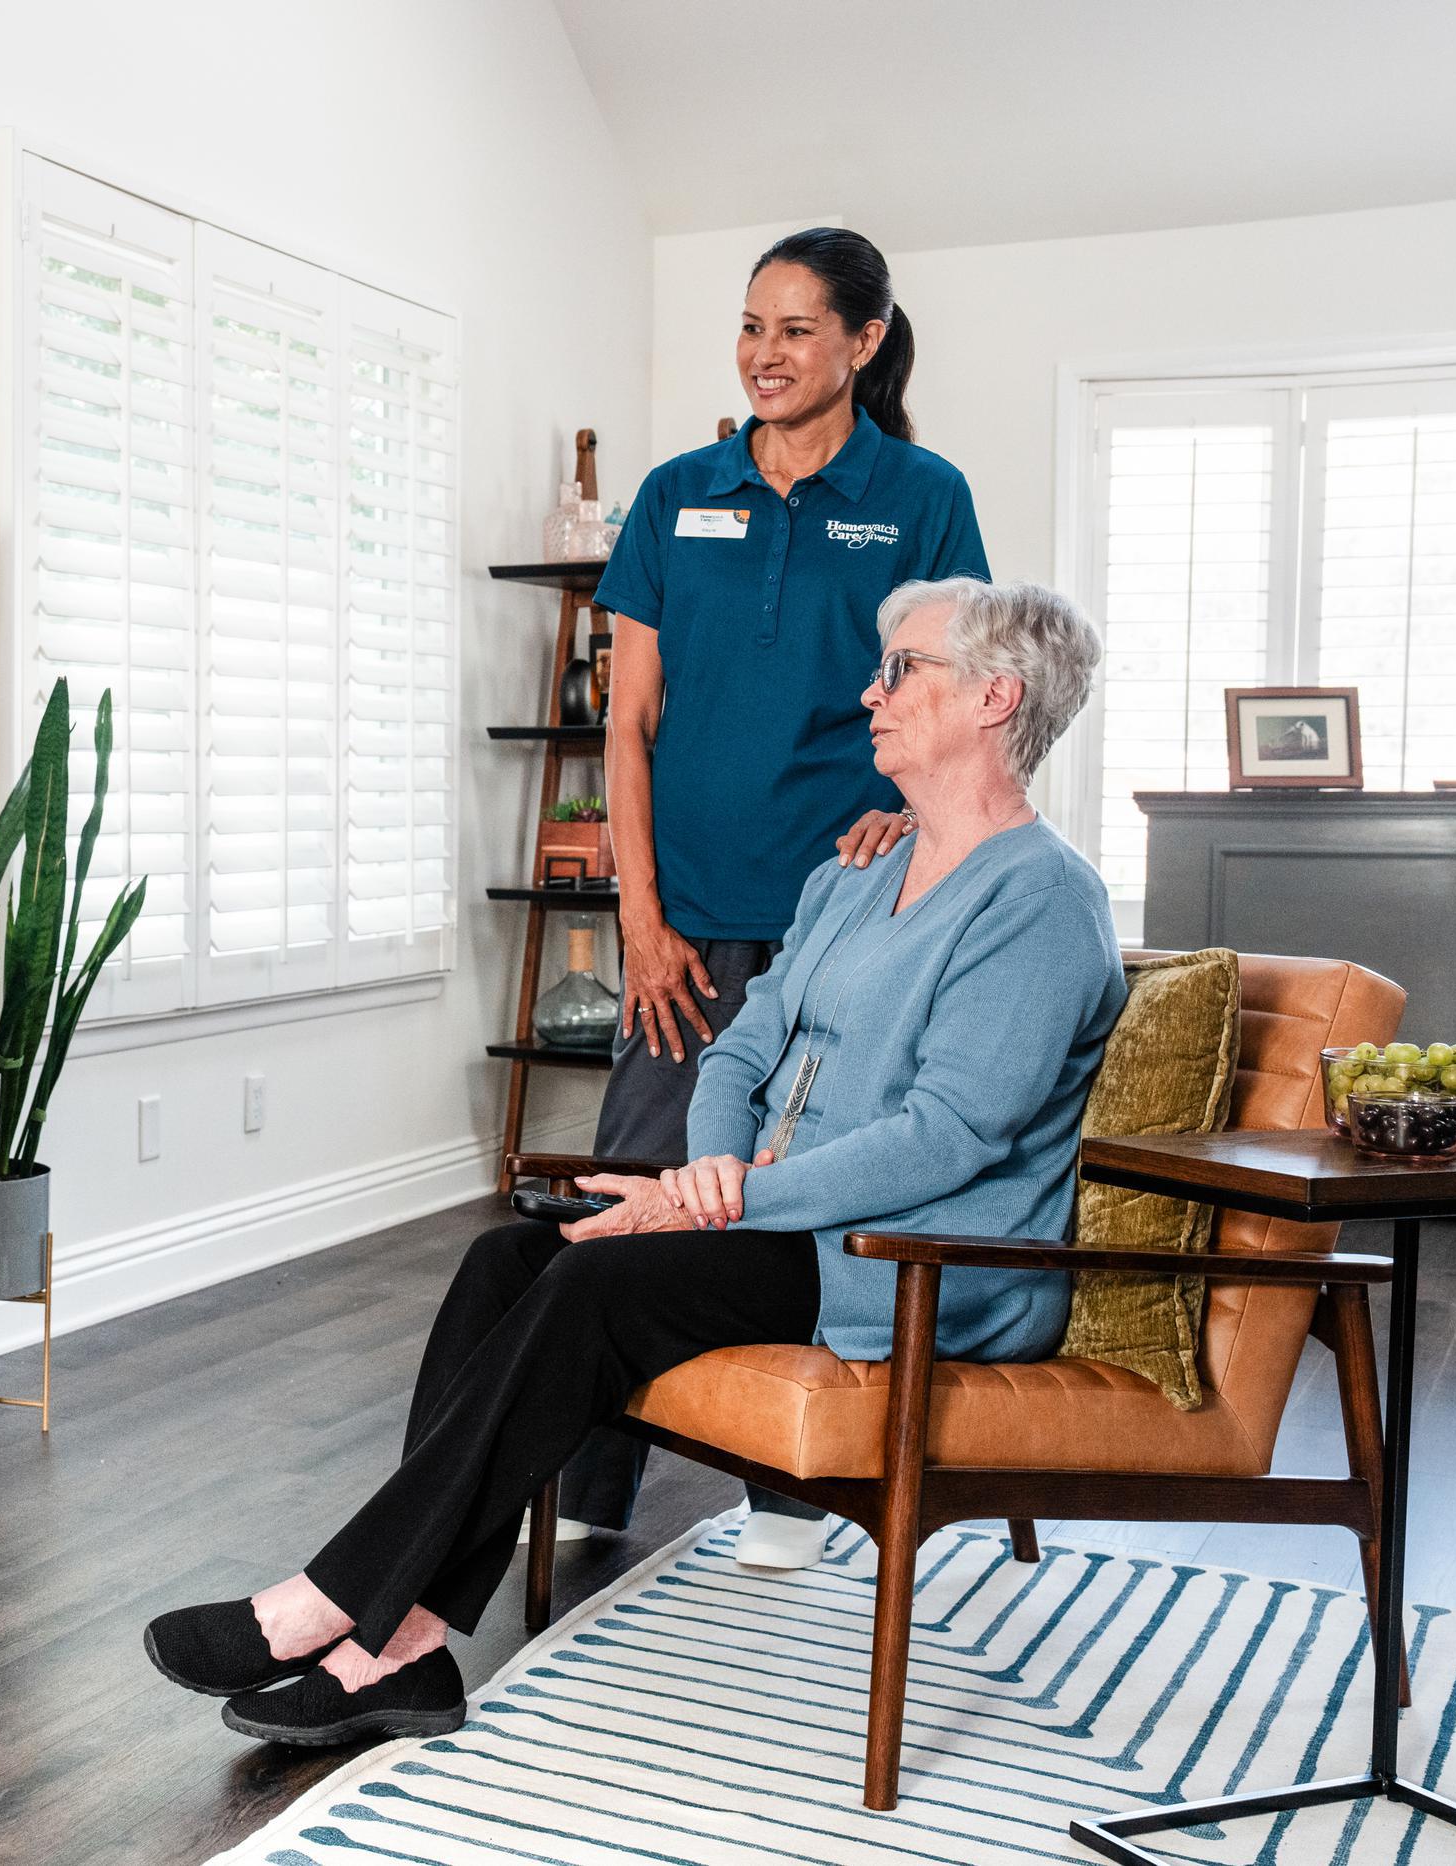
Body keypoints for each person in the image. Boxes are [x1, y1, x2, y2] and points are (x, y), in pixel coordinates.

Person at [144, 578, 1120, 1747]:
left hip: (910, 1264)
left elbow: (948, 1136)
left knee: (600, 1283)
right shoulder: (856, 871)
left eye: (900, 669)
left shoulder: (1042, 901)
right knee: (510, 1260)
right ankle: (401, 1652)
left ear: (994, 697)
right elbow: (739, 1047)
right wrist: (710, 1180)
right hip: (781, 1223)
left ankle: (328, 1604)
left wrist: (724, 1199)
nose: (870, 692)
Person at [557, 226, 993, 1569]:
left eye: (798, 329)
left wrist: (909, 806)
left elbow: (965, 697)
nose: (766, 354)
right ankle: (586, 1482)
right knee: (640, 1173)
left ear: (864, 341)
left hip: (845, 920)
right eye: (752, 327)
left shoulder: (921, 494)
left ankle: (786, 1483)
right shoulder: (675, 492)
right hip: (680, 913)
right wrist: (637, 915)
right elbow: (626, 726)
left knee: (793, 1186)